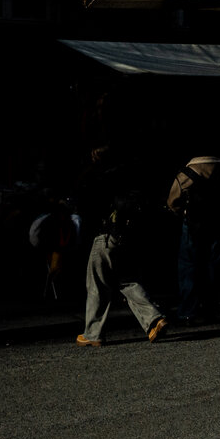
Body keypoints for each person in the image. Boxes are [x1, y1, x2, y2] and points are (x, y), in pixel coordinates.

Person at [76, 147, 169, 347]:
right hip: (128, 236)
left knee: (97, 283)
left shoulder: (103, 177)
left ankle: (93, 333)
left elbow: (84, 196)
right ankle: (154, 318)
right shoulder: (133, 174)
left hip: (106, 234)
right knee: (127, 280)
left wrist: (92, 167)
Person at [167, 143, 220, 323]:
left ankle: (188, 311)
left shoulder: (186, 174)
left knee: (188, 266)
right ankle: (210, 308)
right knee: (213, 266)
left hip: (192, 222)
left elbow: (172, 202)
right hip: (218, 222)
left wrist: (183, 212)